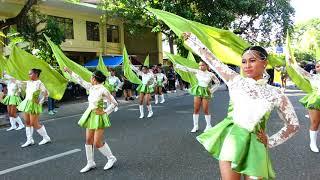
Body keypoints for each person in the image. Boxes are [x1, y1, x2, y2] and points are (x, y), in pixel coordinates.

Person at [183, 32, 299, 179]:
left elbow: (293, 125)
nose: (247, 65)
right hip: (232, 141)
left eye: (252, 60)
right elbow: (212, 60)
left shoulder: (276, 93)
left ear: (264, 63)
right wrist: (192, 40)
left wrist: (271, 140)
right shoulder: (236, 80)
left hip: (256, 144)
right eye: (243, 62)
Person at [64, 67, 118, 173]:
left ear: (94, 78)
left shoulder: (103, 89)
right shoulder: (91, 87)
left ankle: (111, 158)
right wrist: (69, 71)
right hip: (90, 115)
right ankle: (90, 163)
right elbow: (79, 79)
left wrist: (105, 112)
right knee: (88, 140)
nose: (90, 78)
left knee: (97, 142)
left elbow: (114, 103)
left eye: (91, 77)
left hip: (99, 116)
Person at [175, 61, 220, 132]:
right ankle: (195, 126)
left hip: (206, 92)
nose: (200, 67)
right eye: (199, 65)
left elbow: (218, 83)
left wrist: (211, 90)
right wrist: (177, 65)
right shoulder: (197, 71)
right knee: (196, 109)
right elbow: (187, 69)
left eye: (202, 65)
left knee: (205, 109)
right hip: (198, 90)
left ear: (206, 65)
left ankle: (208, 125)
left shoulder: (211, 74)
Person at [18, 68, 51, 148]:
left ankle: (46, 138)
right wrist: (6, 76)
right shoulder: (28, 82)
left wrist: (40, 102)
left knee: (34, 123)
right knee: (27, 122)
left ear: (36, 74)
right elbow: (18, 82)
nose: (29, 75)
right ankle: (29, 140)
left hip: (34, 105)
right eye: (29, 74)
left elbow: (46, 93)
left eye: (30, 74)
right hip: (27, 103)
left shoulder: (39, 83)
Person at [293, 62, 320, 152]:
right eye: (318, 66)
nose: (319, 67)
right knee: (315, 123)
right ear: (315, 68)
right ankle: (313, 143)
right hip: (316, 100)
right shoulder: (312, 77)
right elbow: (300, 71)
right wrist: (292, 62)